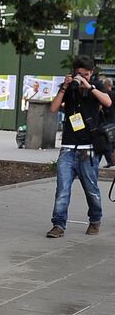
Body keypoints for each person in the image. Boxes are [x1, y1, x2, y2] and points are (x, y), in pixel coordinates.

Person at [45, 55, 109, 238]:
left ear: (92, 73)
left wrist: (90, 87)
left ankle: (95, 219)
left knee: (91, 189)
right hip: (68, 147)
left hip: (88, 149)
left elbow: (108, 102)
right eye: (79, 74)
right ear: (73, 73)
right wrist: (65, 86)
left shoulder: (95, 86)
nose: (82, 78)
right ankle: (58, 224)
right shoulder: (69, 87)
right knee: (62, 189)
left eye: (86, 74)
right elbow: (53, 108)